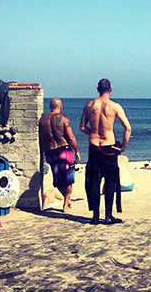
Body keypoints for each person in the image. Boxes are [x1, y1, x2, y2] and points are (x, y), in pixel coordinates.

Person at [80, 79, 132, 225]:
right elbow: (127, 128)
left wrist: (93, 133)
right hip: (108, 147)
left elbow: (82, 127)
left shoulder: (89, 105)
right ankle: (108, 216)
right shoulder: (114, 106)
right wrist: (123, 146)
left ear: (97, 89)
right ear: (111, 89)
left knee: (94, 181)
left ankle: (95, 217)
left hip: (94, 146)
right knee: (110, 181)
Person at [38, 98, 81, 212]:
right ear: (60, 106)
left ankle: (67, 200)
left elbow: (42, 138)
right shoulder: (63, 118)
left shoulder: (42, 120)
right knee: (68, 180)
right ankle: (65, 205)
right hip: (64, 151)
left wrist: (44, 152)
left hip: (50, 152)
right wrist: (76, 151)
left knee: (58, 182)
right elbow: (71, 137)